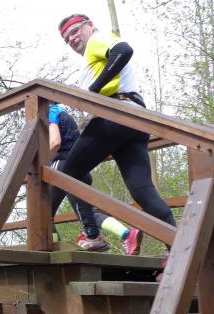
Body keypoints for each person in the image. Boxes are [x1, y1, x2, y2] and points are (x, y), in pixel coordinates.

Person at [56, 14, 175, 250]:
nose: (72, 39)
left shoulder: (96, 40)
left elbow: (123, 50)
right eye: (67, 38)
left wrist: (93, 89)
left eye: (75, 31)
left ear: (90, 26)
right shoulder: (92, 58)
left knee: (66, 174)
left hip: (114, 116)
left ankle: (81, 235)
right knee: (142, 191)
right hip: (135, 120)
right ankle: (179, 249)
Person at [48, 103, 142, 255]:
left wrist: (41, 161)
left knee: (44, 211)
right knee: (87, 213)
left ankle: (54, 250)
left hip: (63, 165)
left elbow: (55, 142)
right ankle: (126, 234)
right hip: (80, 167)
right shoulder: (63, 113)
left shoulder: (50, 112)